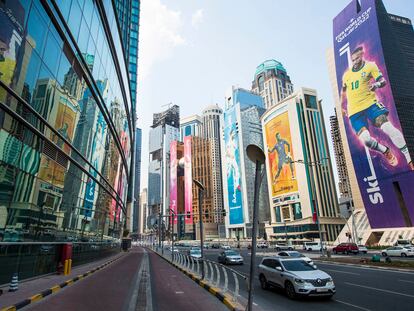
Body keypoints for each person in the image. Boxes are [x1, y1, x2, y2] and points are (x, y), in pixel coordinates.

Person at [341, 46, 413, 170]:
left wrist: (377, 84)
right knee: (366, 140)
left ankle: (409, 157)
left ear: (362, 55)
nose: (355, 61)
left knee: (387, 127)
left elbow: (382, 80)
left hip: (370, 105)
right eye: (353, 60)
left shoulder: (370, 66)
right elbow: (343, 91)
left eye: (357, 58)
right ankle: (385, 150)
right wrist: (342, 106)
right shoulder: (347, 75)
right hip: (354, 111)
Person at [226, 127, 241, 203]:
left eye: (234, 134)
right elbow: (226, 152)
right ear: (230, 134)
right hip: (229, 159)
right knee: (228, 171)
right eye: (233, 134)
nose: (234, 135)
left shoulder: (234, 142)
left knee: (237, 171)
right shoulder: (229, 142)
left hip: (233, 159)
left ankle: (237, 185)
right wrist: (229, 155)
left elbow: (236, 148)